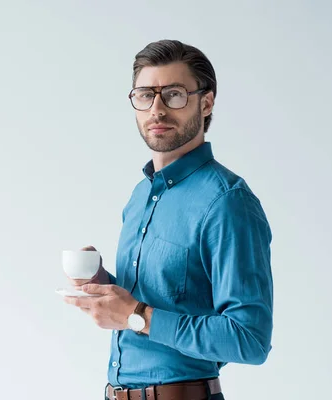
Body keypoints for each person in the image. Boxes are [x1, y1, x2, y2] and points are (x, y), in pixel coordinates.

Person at [63, 39, 274, 400]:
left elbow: (249, 339)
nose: (157, 109)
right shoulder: (139, 195)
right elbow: (162, 301)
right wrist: (103, 285)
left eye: (174, 95)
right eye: (145, 95)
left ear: (205, 103)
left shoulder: (227, 202)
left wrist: (136, 316)